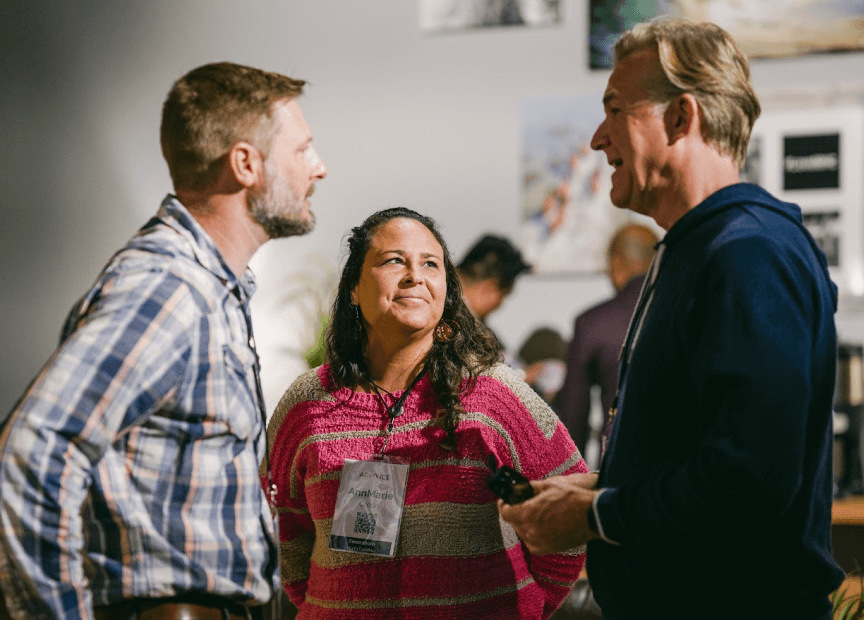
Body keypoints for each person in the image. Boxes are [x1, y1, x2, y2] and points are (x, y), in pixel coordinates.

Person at [500, 19, 845, 619]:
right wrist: (595, 489)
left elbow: (748, 482)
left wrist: (593, 514)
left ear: (682, 118)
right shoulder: (698, 247)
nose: (598, 138)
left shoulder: (748, 253)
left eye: (614, 109)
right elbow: (697, 455)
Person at [0, 61, 328, 620]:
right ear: (246, 164)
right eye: (302, 151)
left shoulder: (213, 289)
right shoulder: (170, 288)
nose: (318, 169)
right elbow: (32, 453)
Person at [265, 207, 586, 619]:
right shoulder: (307, 403)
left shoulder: (492, 393)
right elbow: (286, 533)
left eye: (430, 264)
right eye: (394, 260)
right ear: (354, 289)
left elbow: (571, 510)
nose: (415, 275)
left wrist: (527, 609)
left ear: (446, 289)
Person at [557, 223, 658, 464]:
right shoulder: (693, 312)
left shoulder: (592, 323)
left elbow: (574, 414)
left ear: (616, 263)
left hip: (620, 471)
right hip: (688, 476)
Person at [456, 234, 532, 323]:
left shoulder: (439, 303)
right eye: (503, 296)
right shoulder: (461, 328)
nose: (500, 305)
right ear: (489, 289)